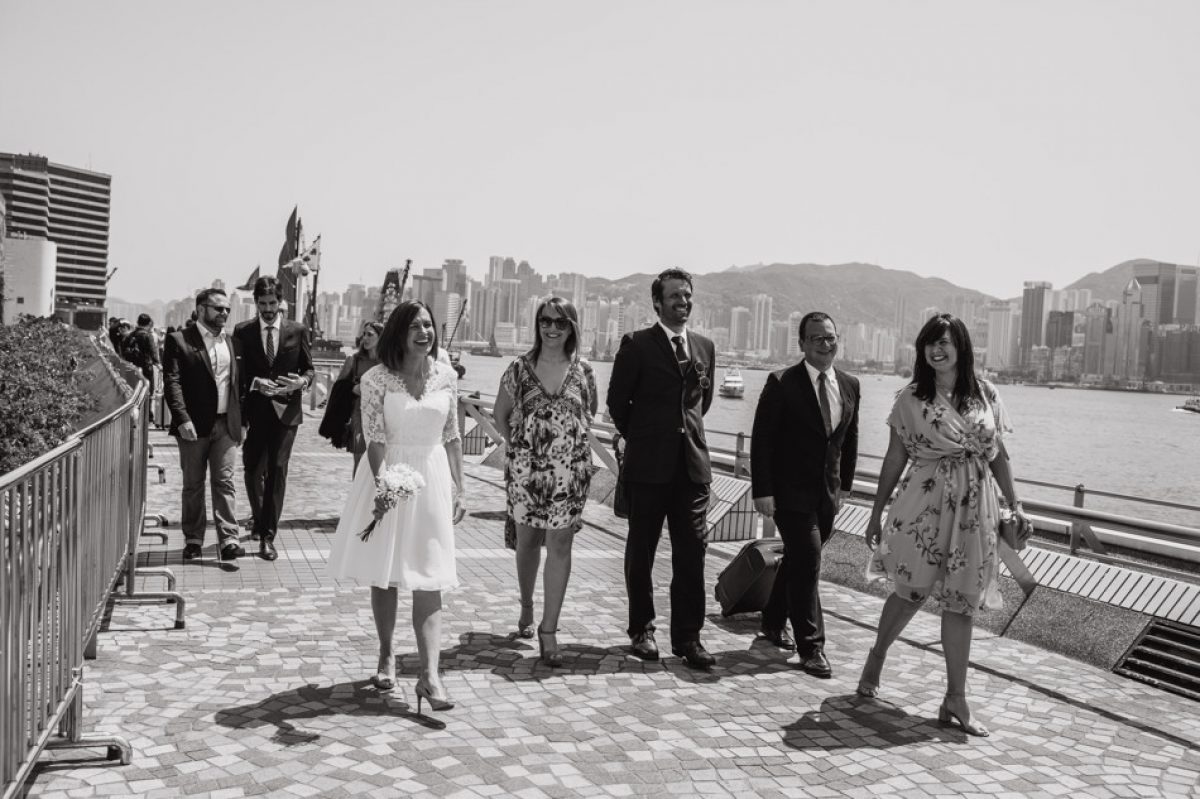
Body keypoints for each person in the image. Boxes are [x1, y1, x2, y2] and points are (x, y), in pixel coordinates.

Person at [859, 313, 1028, 738]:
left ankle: (956, 698)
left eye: (945, 342)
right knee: (911, 592)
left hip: (975, 510)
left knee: (962, 601)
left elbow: (998, 455)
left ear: (961, 347)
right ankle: (877, 656)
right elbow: (894, 458)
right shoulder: (911, 397)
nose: (937, 350)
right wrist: (876, 512)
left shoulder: (986, 393)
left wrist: (1016, 504)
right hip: (924, 505)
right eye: (930, 343)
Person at [326, 301, 466, 713]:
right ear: (398, 333)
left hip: (432, 479)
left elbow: (453, 436)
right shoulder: (376, 379)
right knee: (386, 572)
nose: (424, 332)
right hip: (388, 473)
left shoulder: (447, 376)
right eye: (415, 326)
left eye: (429, 325)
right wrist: (384, 482)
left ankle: (430, 676)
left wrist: (461, 488)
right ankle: (386, 654)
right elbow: (374, 437)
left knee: (430, 575)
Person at [606, 268, 717, 669]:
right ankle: (642, 630)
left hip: (692, 468)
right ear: (657, 302)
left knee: (693, 555)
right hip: (647, 468)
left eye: (687, 295)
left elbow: (701, 404)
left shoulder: (705, 347)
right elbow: (617, 403)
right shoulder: (636, 344)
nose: (682, 302)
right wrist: (644, 438)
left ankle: (689, 638)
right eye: (674, 296)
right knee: (642, 552)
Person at [752, 312, 860, 678]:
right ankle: (811, 646)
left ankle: (772, 620)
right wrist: (763, 490)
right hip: (789, 492)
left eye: (830, 337)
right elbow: (763, 439)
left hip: (827, 493)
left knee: (799, 558)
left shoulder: (850, 384)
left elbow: (849, 438)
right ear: (801, 344)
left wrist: (845, 485)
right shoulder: (782, 382)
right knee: (809, 559)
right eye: (816, 338)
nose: (825, 344)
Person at [492, 297, 598, 667]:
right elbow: (500, 415)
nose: (552, 328)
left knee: (560, 544)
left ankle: (548, 630)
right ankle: (526, 605)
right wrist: (523, 450)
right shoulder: (519, 368)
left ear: (572, 327)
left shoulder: (584, 371)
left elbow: (589, 414)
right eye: (545, 321)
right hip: (527, 471)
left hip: (571, 472)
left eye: (560, 322)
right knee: (527, 542)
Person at [233, 276, 315, 561]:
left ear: (280, 302)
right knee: (252, 471)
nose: (267, 309)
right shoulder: (243, 331)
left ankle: (267, 536)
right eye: (262, 304)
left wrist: (301, 383)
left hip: (286, 413)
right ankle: (259, 519)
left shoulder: (298, 330)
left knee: (277, 470)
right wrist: (255, 383)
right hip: (255, 411)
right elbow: (238, 374)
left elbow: (309, 369)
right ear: (255, 303)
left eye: (272, 303)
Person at [161, 289, 245, 562]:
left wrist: (242, 422)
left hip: (226, 425)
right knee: (193, 485)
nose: (224, 313)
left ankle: (229, 539)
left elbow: (238, 386)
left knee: (224, 481)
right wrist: (182, 418)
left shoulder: (232, 343)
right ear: (200, 309)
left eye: (227, 309)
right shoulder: (179, 340)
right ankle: (194, 539)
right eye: (218, 308)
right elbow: (172, 382)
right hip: (193, 427)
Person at [335, 320, 384, 471]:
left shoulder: (389, 361)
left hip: (383, 414)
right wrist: (353, 388)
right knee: (360, 458)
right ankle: (357, 486)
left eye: (370, 335)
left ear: (381, 337)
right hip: (359, 413)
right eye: (364, 334)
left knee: (382, 460)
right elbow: (339, 387)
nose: (365, 338)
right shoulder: (355, 360)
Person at [122, 313, 161, 393]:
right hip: (145, 367)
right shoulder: (148, 335)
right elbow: (152, 351)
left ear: (138, 322)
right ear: (149, 323)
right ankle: (149, 399)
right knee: (148, 390)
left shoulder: (130, 335)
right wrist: (158, 363)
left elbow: (123, 349)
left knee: (134, 389)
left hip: (132, 366)